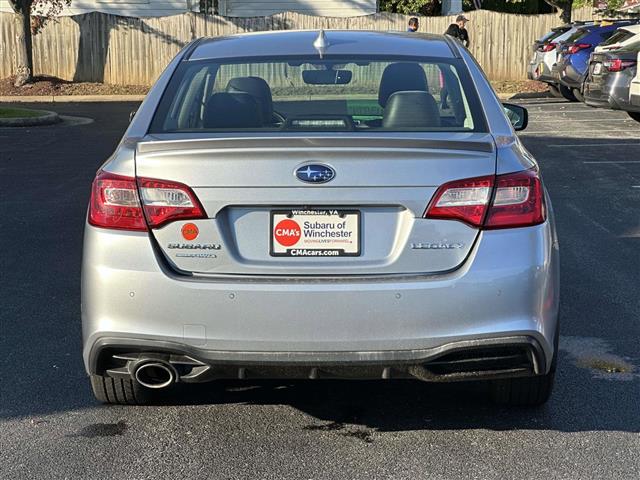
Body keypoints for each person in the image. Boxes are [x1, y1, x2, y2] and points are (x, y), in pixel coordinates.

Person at [441, 15, 470, 109]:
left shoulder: (464, 31)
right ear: (459, 22)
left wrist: (464, 48)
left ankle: (456, 101)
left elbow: (467, 41)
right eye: (463, 22)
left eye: (465, 22)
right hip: (448, 60)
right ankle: (445, 102)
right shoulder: (453, 29)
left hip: (457, 57)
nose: (464, 24)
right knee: (449, 82)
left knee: (454, 82)